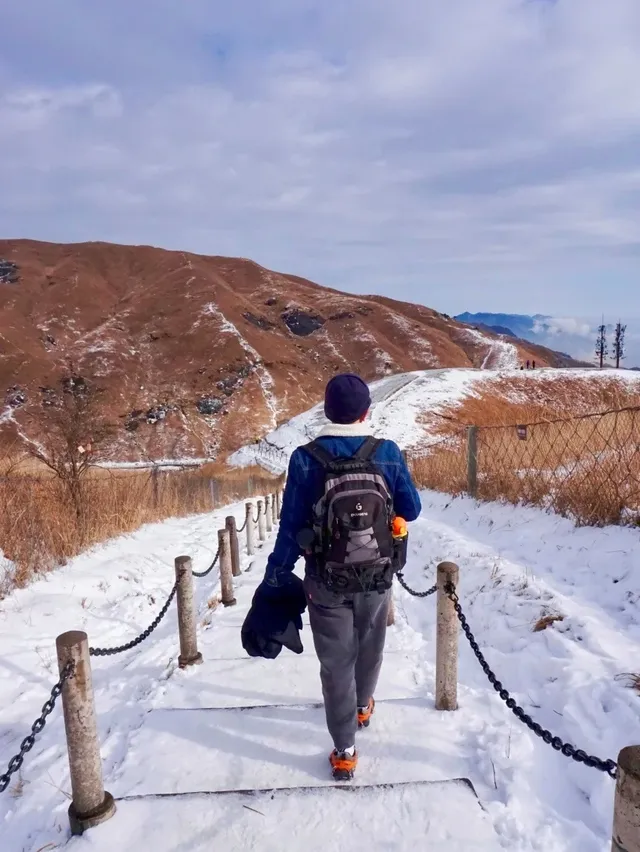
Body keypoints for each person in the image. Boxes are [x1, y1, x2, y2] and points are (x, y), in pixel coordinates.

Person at [241, 373, 422, 781]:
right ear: (365, 413)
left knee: (336, 660)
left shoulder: (306, 458)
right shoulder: (388, 452)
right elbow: (411, 510)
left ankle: (345, 750)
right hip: (377, 574)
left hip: (324, 579)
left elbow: (290, 524)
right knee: (370, 644)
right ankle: (363, 706)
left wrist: (277, 571)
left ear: (326, 411)